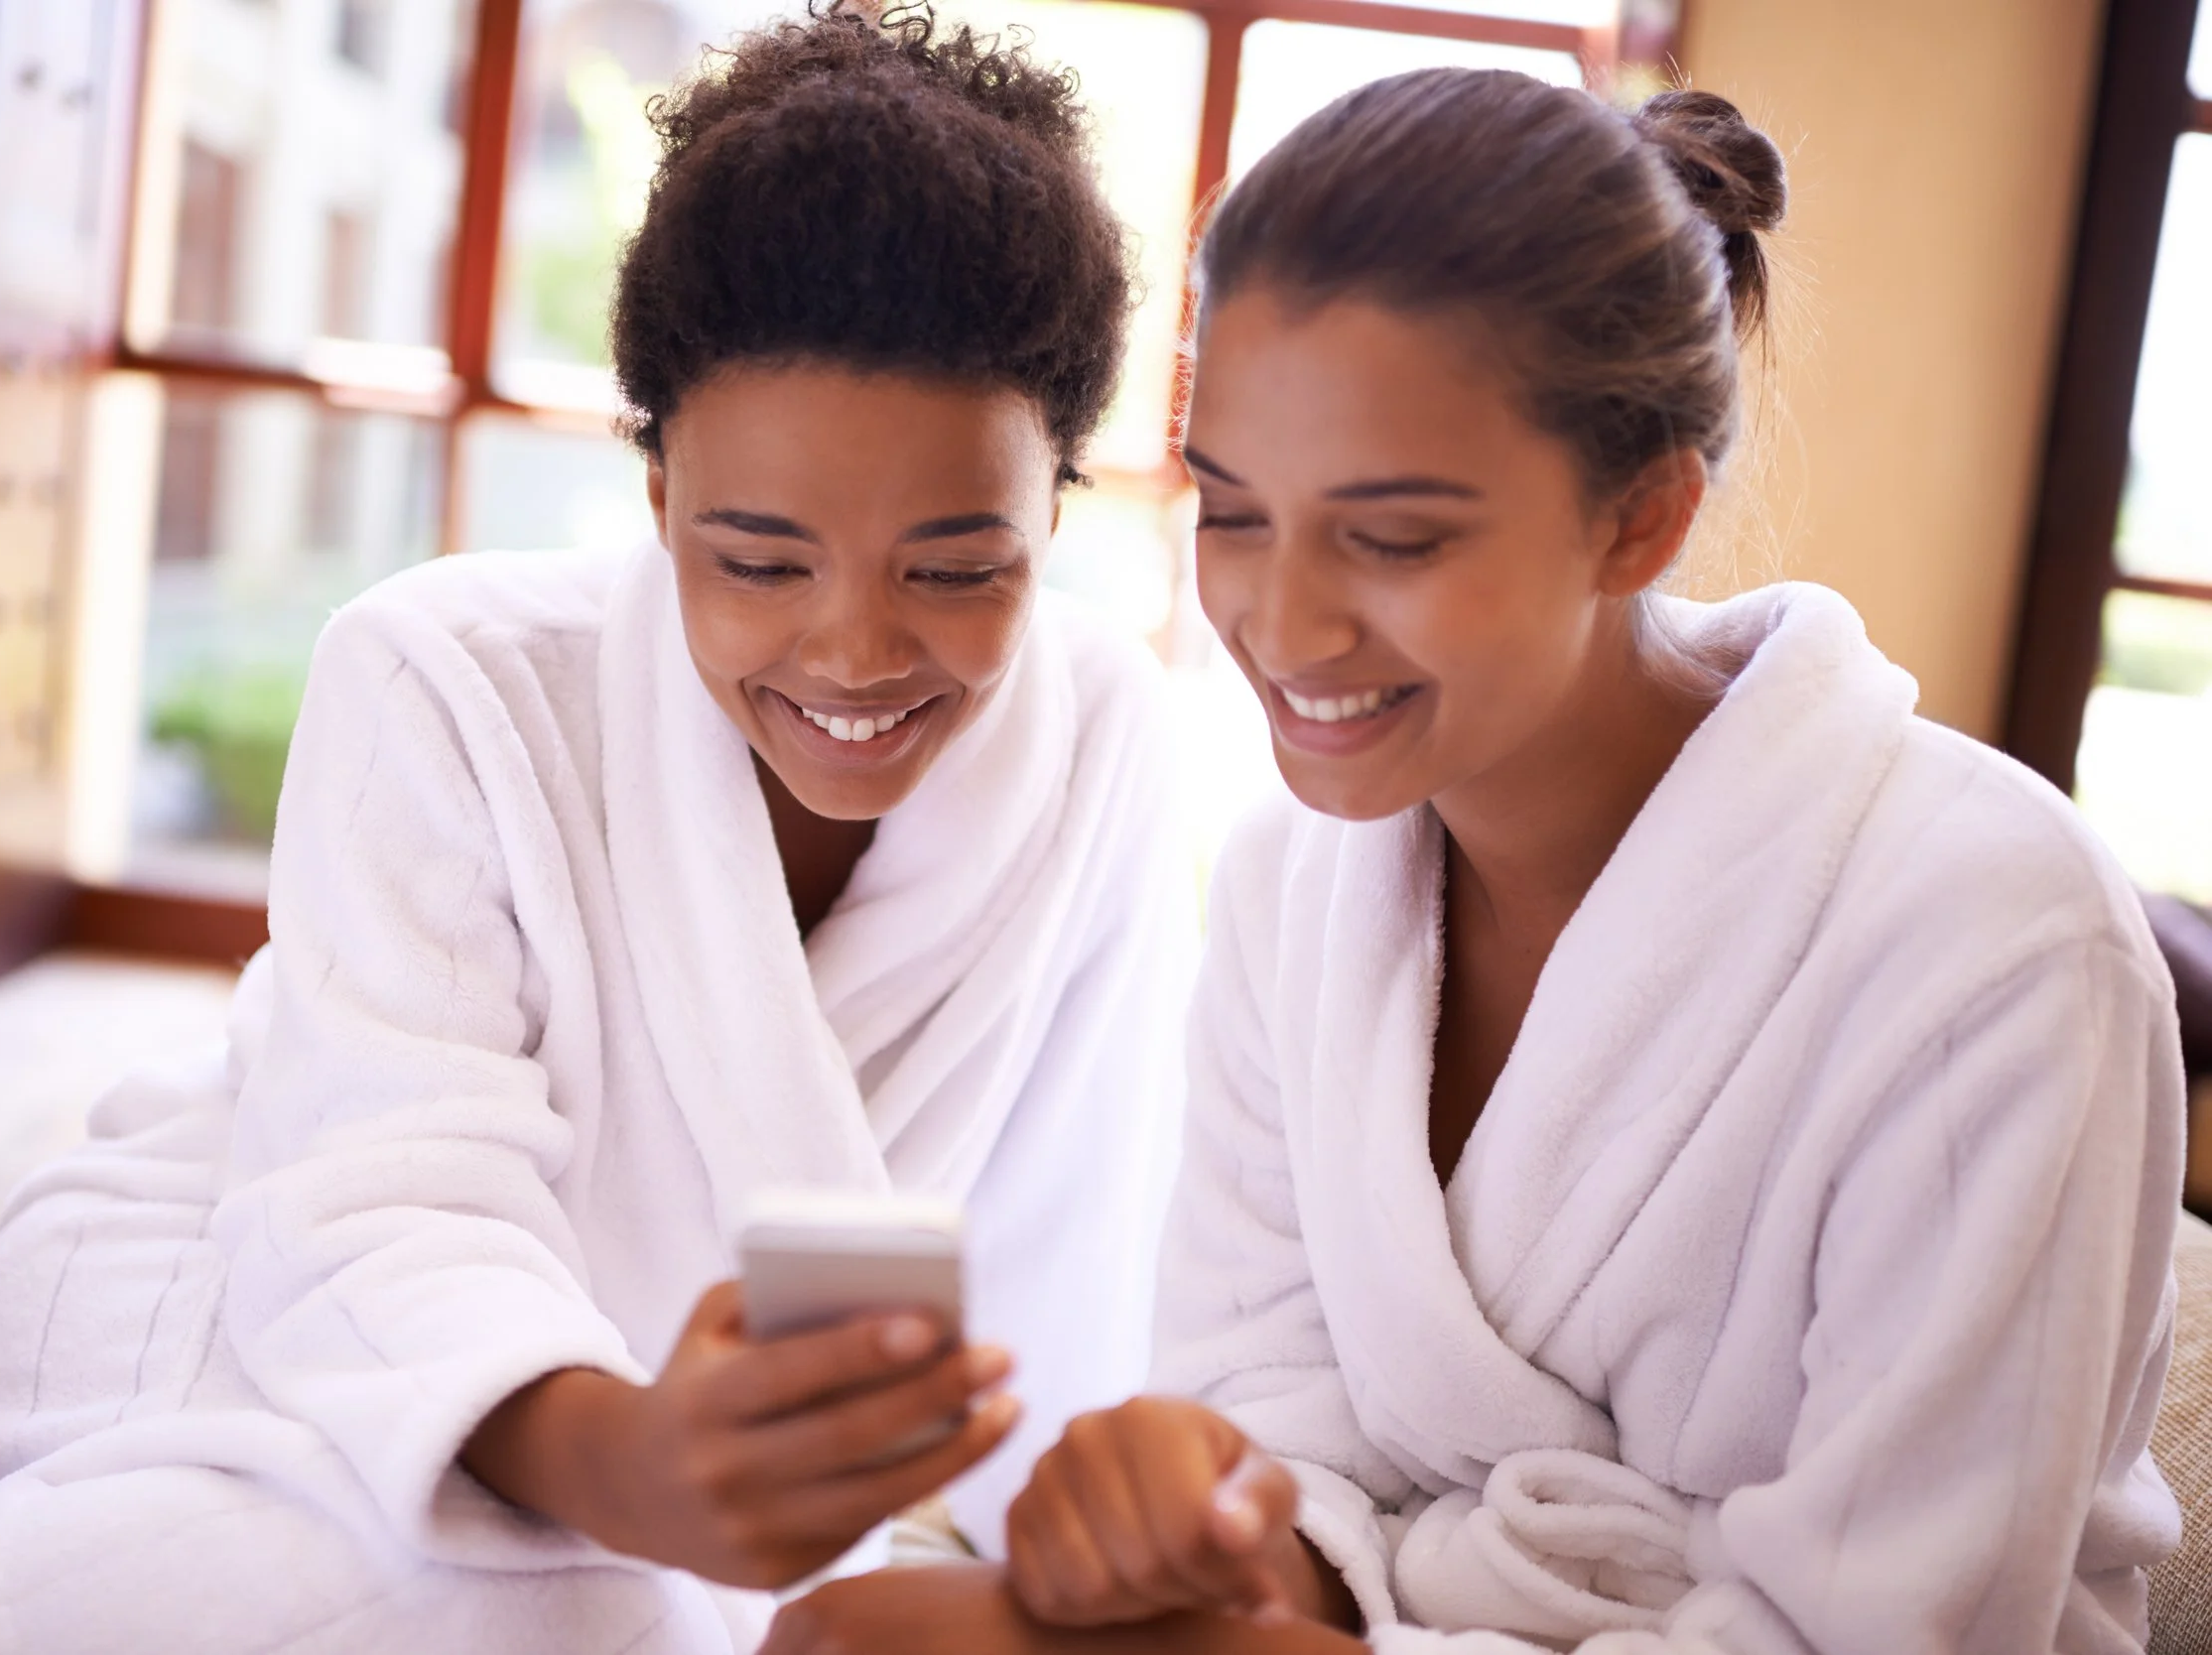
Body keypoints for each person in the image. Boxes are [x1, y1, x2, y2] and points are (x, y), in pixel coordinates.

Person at [0, 10, 1190, 1652]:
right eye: (761, 562)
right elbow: (381, 1191)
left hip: (664, 1460)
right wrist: (619, 1465)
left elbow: (1089, 1227)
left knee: (657, 1605)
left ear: (1056, 503)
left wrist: (1091, 1514)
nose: (854, 654)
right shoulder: (446, 675)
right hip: (245, 1314)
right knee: (597, 1607)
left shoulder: (1101, 740)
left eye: (956, 568)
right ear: (655, 498)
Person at [762, 67, 2186, 1655]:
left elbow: (1892, 1628)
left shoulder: (1995, 946)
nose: (1284, 628)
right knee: (854, 1635)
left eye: (1393, 537)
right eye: (1236, 515)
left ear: (1639, 520)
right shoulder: (1294, 886)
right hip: (1397, 1628)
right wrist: (1208, 1518)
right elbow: (1273, 1430)